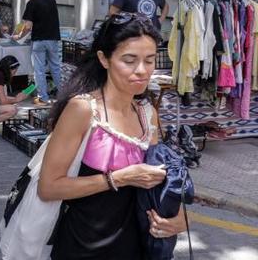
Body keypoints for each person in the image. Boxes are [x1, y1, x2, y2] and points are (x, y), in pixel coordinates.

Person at [38, 13, 187, 258]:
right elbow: (49, 187)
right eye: (129, 60)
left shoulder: (148, 113)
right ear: (104, 59)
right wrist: (118, 178)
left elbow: (159, 180)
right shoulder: (83, 109)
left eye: (149, 60)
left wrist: (178, 217)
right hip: (83, 247)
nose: (142, 70)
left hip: (137, 246)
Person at [15, 0, 62, 106]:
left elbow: (28, 26)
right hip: (53, 38)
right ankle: (63, 95)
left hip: (39, 40)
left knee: (39, 70)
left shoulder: (32, 3)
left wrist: (19, 36)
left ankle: (43, 97)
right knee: (56, 67)